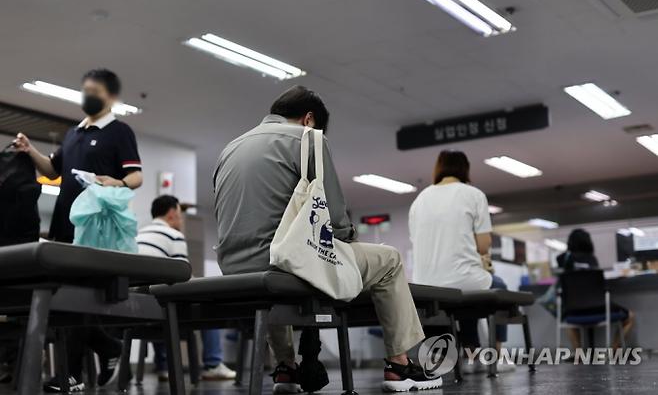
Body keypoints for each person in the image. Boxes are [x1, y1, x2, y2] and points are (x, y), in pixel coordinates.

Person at [213, 86, 439, 393]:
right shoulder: (308, 139)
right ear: (309, 119)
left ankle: (286, 367)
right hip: (285, 263)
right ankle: (400, 366)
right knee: (389, 260)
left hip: (233, 267)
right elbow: (333, 214)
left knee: (271, 263)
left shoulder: (230, 148)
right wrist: (349, 242)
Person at [13, 68, 143, 392]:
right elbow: (52, 169)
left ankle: (71, 374)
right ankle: (107, 348)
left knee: (80, 298)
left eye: (95, 90)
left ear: (110, 96)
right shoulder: (73, 133)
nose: (88, 95)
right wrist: (30, 151)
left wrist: (118, 181)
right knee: (67, 297)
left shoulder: (118, 131)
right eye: (85, 90)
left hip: (95, 227)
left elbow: (137, 176)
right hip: (64, 223)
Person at [408, 149, 513, 373]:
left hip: (425, 286)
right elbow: (483, 245)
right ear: (465, 169)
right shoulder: (473, 195)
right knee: (497, 288)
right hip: (463, 280)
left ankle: (470, 354)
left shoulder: (419, 200)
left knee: (466, 297)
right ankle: (496, 356)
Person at [136, 195, 236, 382]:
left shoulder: (139, 234)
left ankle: (164, 367)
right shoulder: (173, 235)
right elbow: (183, 276)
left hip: (139, 309)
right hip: (162, 310)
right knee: (208, 307)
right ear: (172, 213)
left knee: (156, 296)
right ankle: (213, 365)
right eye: (180, 214)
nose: (181, 220)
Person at [559, 229, 634, 351]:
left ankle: (579, 355)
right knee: (629, 317)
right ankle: (613, 351)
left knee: (568, 320)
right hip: (599, 307)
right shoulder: (592, 259)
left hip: (573, 310)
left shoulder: (563, 259)